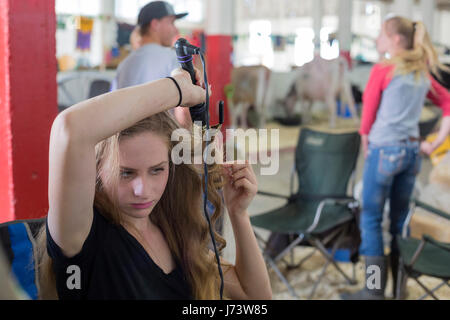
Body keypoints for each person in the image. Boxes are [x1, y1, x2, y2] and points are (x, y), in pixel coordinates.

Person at [35, 67, 272, 300]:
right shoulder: (82, 235)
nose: (143, 191)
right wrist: (178, 87)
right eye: (126, 173)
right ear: (97, 169)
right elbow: (70, 128)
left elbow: (255, 297)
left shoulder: (171, 227)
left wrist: (238, 213)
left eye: (157, 170)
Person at [342, 15, 450, 300]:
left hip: (384, 151)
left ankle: (374, 290)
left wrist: (367, 141)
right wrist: (436, 141)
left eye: (381, 35)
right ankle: (399, 289)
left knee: (372, 219)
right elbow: (448, 101)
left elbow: (368, 116)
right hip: (413, 153)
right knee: (401, 220)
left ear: (396, 39)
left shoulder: (383, 69)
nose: (378, 40)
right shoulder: (420, 72)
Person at [114, 1, 191, 128]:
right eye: (171, 22)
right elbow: (183, 111)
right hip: (161, 141)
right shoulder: (172, 57)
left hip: (125, 142)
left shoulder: (124, 64)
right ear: (155, 24)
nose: (175, 29)